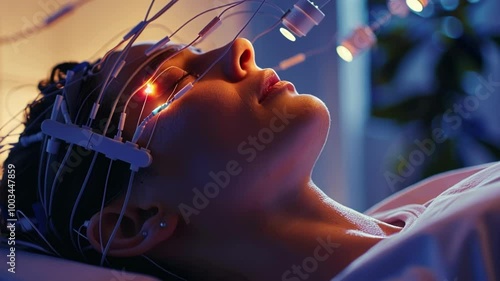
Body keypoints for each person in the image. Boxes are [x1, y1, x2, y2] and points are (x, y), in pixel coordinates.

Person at [1, 38, 495, 281]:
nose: (239, 47)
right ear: (134, 222)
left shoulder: (436, 199)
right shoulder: (453, 258)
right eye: (173, 85)